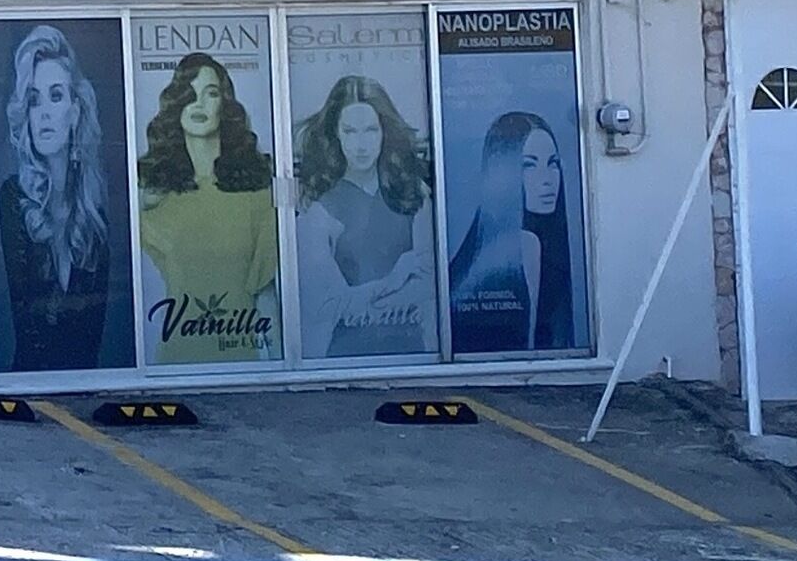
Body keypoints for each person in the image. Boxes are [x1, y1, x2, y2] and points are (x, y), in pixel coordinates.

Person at [0, 25, 123, 371]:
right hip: (31, 390)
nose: (44, 112)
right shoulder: (14, 199)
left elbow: (93, 331)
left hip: (90, 386)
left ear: (76, 110)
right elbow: (29, 321)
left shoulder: (95, 209)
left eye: (56, 95)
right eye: (33, 100)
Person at [134, 51, 279, 363]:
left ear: (224, 106)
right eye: (189, 95)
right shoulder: (154, 198)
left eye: (210, 93)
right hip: (175, 358)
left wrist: (283, 367)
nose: (198, 104)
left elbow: (264, 293)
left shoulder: (256, 195)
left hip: (240, 356)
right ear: (176, 106)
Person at [289, 75, 433, 358]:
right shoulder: (318, 209)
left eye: (370, 130)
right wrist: (394, 281)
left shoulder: (413, 194)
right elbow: (324, 307)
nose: (361, 144)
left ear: (384, 132)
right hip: (345, 356)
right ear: (336, 134)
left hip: (413, 353)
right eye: (350, 131)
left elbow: (430, 285)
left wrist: (362, 298)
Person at [446, 110, 579, 352]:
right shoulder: (526, 244)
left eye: (553, 164)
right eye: (529, 165)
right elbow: (529, 354)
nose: (547, 179)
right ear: (503, 172)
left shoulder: (484, 245)